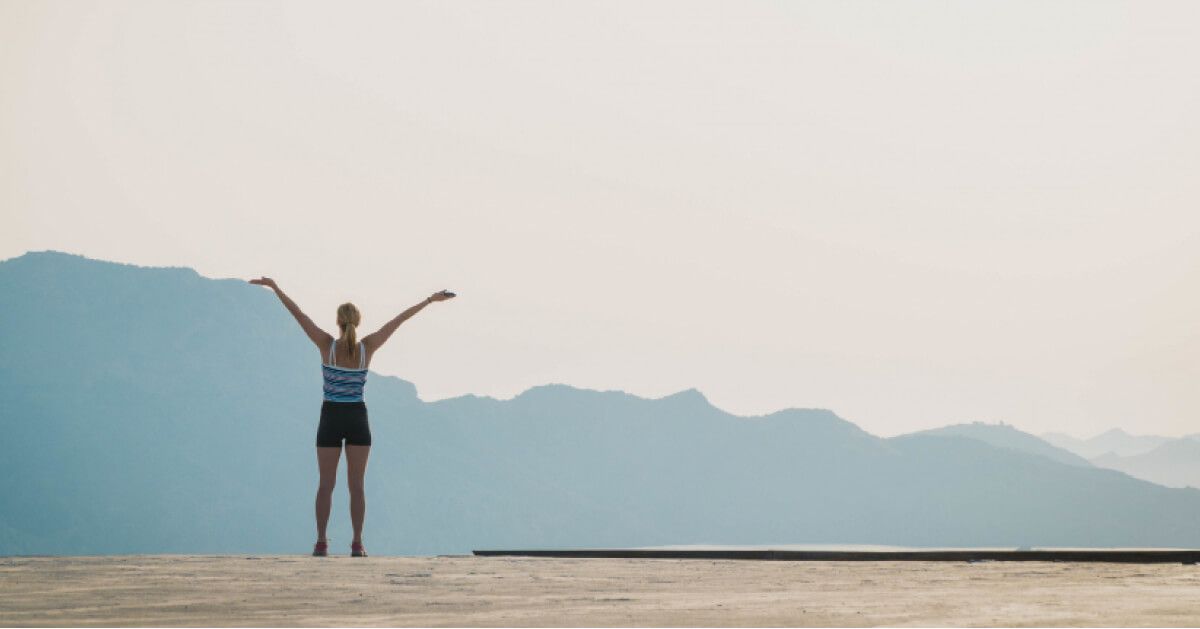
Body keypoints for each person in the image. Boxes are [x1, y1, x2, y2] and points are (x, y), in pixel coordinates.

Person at [249, 277, 455, 557]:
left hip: (331, 417)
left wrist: (276, 289)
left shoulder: (326, 345)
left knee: (326, 485)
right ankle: (357, 543)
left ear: (338, 321)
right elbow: (398, 321)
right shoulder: (366, 348)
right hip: (357, 417)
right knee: (357, 486)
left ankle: (321, 542)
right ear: (358, 321)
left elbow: (300, 315)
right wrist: (430, 301)